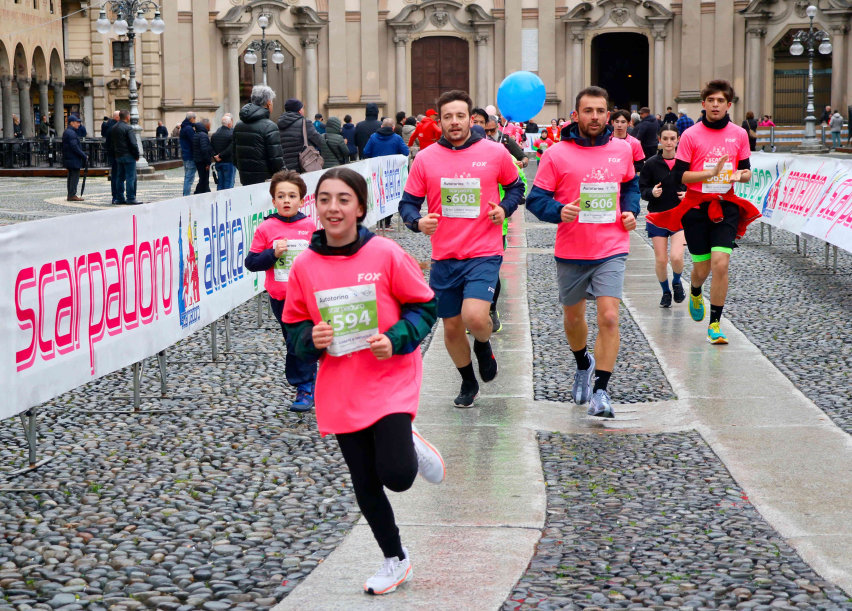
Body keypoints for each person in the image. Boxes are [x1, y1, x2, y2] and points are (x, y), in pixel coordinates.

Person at [281, 166, 445, 595]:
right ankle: (395, 560)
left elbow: (425, 307)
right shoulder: (304, 265)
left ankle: (408, 443)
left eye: (343, 199)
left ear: (360, 208)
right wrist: (310, 339)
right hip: (341, 386)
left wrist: (395, 339)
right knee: (365, 482)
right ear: (313, 206)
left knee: (398, 476)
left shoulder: (386, 254)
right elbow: (294, 326)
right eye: (325, 199)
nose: (333, 208)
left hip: (390, 377)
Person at [399, 90, 524, 408]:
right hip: (444, 255)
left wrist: (504, 209)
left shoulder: (494, 154)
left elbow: (515, 187)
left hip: (484, 249)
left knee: (475, 316)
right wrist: (417, 222)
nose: (454, 122)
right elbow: (408, 204)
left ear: (471, 118)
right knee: (452, 326)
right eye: (447, 117)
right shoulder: (426, 159)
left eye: (460, 115)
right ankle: (468, 380)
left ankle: (483, 345)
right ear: (438, 121)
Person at [526, 85, 640, 419]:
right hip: (572, 248)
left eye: (600, 111)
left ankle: (601, 391)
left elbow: (630, 184)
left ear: (609, 114)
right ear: (576, 115)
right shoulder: (557, 154)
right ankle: (582, 363)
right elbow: (535, 200)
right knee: (573, 319)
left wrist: (631, 209)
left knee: (608, 316)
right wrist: (558, 210)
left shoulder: (622, 150)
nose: (595, 117)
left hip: (611, 245)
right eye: (588, 111)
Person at [645, 79, 758, 345]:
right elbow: (679, 176)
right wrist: (710, 173)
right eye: (711, 100)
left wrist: (741, 176)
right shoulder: (692, 135)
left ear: (728, 105)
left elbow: (746, 170)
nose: (716, 105)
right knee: (702, 268)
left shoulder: (739, 134)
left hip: (725, 205)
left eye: (721, 101)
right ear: (704, 104)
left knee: (721, 263)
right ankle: (695, 290)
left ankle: (715, 325)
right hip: (696, 208)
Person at [245, 170, 320, 411]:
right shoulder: (266, 228)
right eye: (281, 196)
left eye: (292, 196)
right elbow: (252, 262)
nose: (286, 200)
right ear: (273, 200)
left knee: (302, 339)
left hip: (308, 298)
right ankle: (309, 380)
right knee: (293, 341)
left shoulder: (310, 226)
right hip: (280, 297)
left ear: (302, 200)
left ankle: (305, 387)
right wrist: (272, 254)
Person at [639, 123, 687, 308]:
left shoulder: (685, 164)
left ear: (678, 140)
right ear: (659, 140)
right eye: (665, 139)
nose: (668, 142)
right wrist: (651, 192)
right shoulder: (651, 164)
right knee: (660, 259)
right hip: (657, 216)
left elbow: (695, 186)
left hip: (679, 216)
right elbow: (642, 189)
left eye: (672, 139)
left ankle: (676, 281)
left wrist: (688, 195)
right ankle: (665, 291)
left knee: (676, 256)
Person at [233, 85, 285, 185]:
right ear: (269, 103)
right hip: (266, 181)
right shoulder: (270, 126)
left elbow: (234, 157)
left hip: (246, 179)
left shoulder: (238, 125)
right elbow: (276, 160)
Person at [278, 98, 323, 173]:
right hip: (303, 166)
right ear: (299, 110)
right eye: (302, 108)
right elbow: (320, 141)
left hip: (285, 169)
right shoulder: (305, 123)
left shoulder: (279, 124)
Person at [109, 109, 141, 205]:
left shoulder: (114, 127)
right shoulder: (128, 128)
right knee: (130, 178)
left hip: (118, 156)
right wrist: (136, 155)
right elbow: (133, 144)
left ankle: (119, 198)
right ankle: (130, 197)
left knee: (120, 178)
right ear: (127, 117)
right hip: (128, 156)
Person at [62, 114, 88, 202]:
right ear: (72, 123)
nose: (79, 124)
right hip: (73, 158)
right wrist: (83, 155)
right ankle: (72, 194)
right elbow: (74, 147)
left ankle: (71, 194)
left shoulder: (68, 132)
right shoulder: (71, 133)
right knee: (74, 177)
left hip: (70, 158)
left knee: (71, 176)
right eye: (77, 122)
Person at [211, 114, 235, 190]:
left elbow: (211, 147)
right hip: (228, 162)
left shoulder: (215, 135)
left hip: (218, 162)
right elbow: (231, 148)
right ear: (229, 123)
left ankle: (220, 200)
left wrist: (215, 156)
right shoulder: (231, 134)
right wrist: (220, 155)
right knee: (228, 184)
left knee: (220, 183)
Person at [103, 110, 120, 204]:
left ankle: (116, 196)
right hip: (117, 155)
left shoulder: (109, 126)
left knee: (115, 175)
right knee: (117, 176)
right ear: (117, 117)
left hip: (113, 155)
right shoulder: (115, 128)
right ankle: (116, 196)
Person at [192, 117, 213, 194]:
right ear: (206, 126)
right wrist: (207, 163)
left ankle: (205, 191)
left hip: (198, 160)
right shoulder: (203, 135)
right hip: (203, 161)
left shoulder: (196, 134)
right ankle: (198, 192)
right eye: (209, 125)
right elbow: (204, 149)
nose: (210, 126)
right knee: (204, 178)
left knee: (203, 178)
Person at [179, 111, 197, 196]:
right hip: (190, 156)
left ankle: (185, 195)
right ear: (192, 119)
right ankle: (186, 196)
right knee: (189, 178)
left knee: (187, 177)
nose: (195, 121)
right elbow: (194, 141)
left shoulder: (184, 127)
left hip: (185, 155)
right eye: (195, 119)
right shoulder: (189, 129)